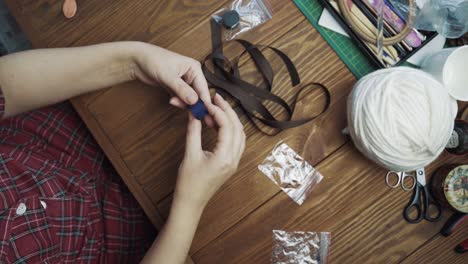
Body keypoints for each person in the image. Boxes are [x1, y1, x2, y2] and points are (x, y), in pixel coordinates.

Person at [0, 42, 246, 263]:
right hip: (142, 232)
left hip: (80, 126)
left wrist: (132, 61)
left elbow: (6, 88)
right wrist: (191, 203)